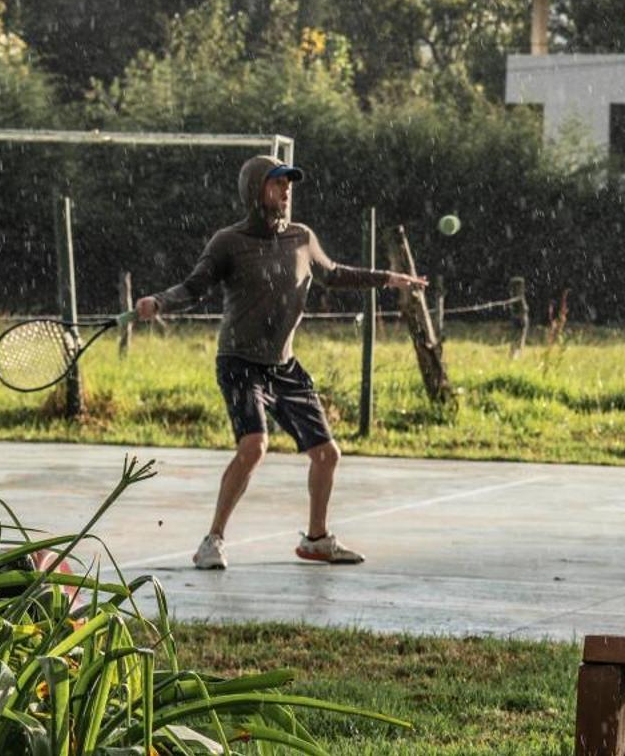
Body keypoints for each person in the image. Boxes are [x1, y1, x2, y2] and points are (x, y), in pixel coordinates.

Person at [135, 154, 425, 569]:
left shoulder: (302, 237)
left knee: (328, 455)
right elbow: (194, 286)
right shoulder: (228, 242)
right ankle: (212, 541)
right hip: (238, 361)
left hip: (283, 365)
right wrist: (159, 302)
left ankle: (317, 540)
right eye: (278, 184)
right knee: (254, 447)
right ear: (256, 191)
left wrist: (387, 279)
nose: (286, 191)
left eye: (289, 184)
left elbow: (334, 273)